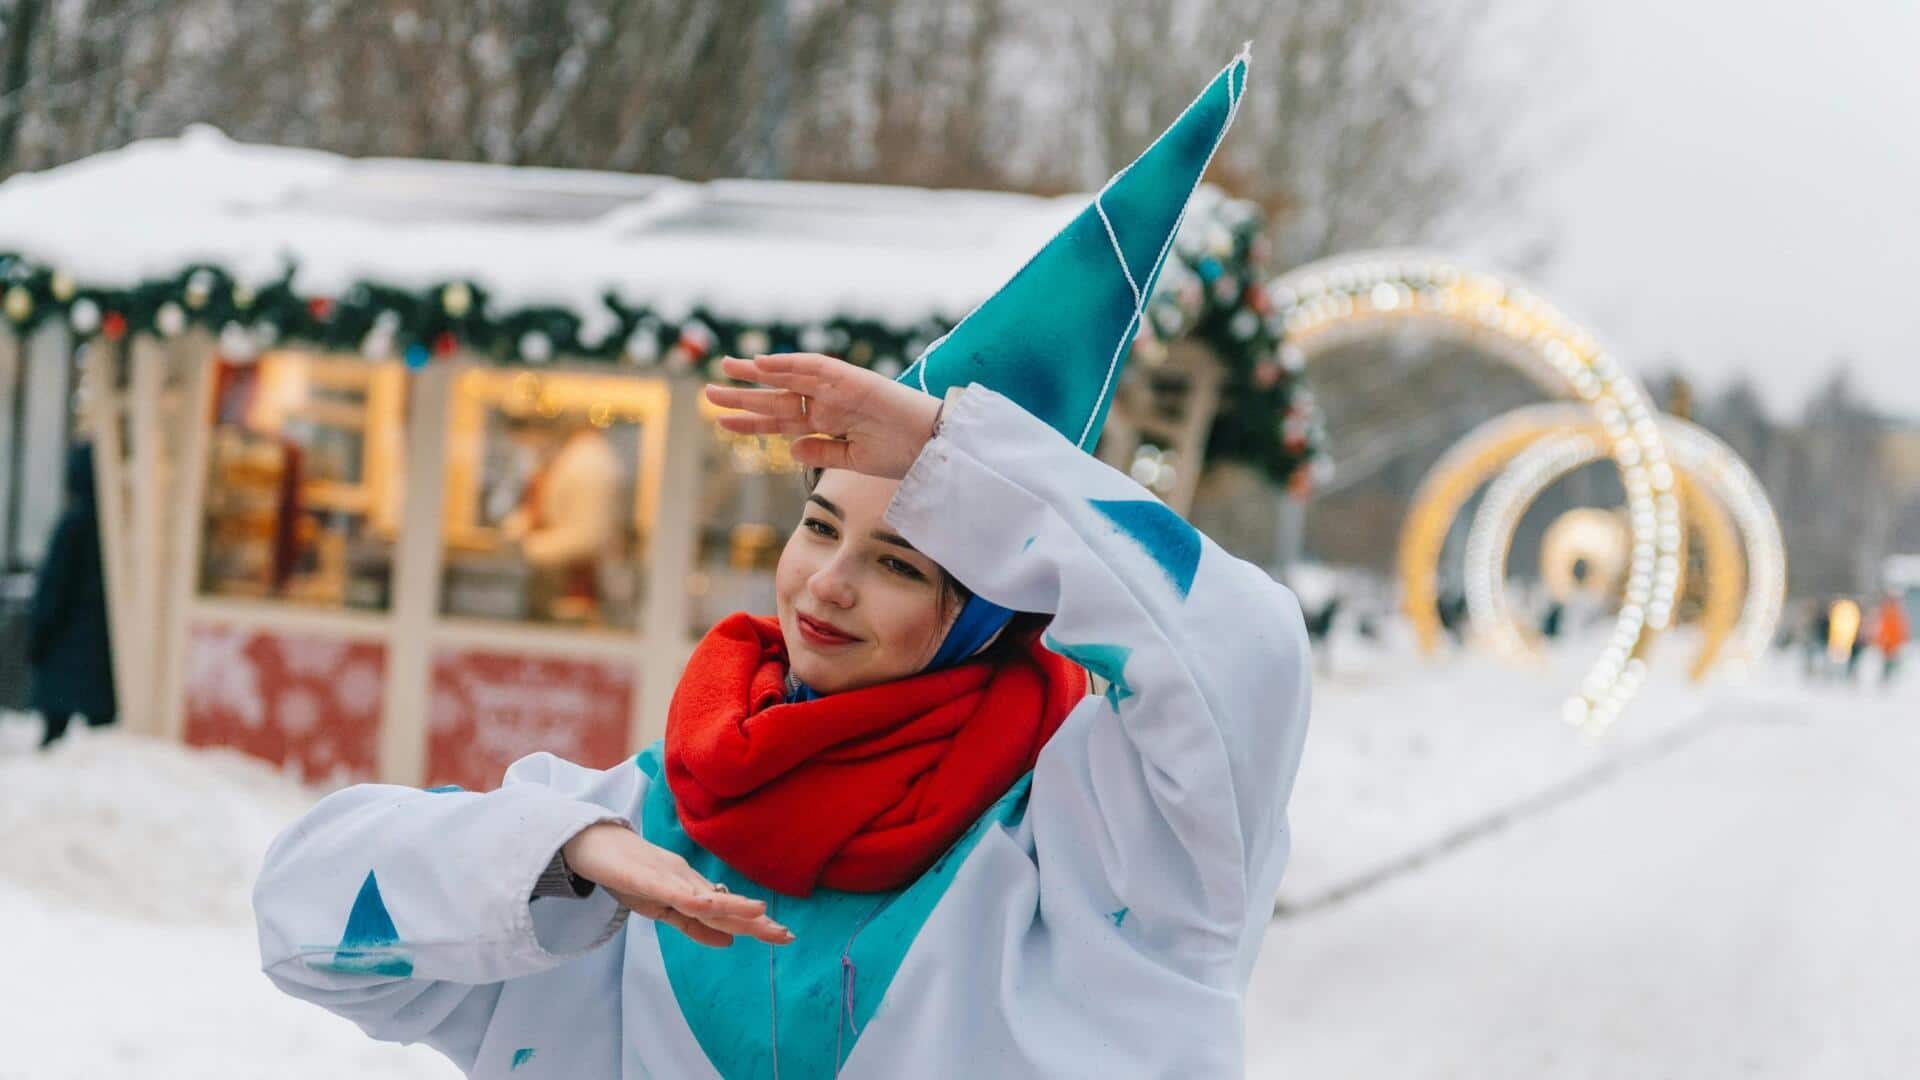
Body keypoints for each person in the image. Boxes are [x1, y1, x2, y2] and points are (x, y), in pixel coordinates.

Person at [254, 52, 1311, 1079]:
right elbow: (303, 914)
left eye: (901, 562)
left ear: (999, 600)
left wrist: (954, 450)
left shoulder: (1100, 846)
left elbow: (1242, 653)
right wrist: (559, 855)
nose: (827, 583)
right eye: (818, 527)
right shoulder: (654, 812)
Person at [27, 445, 117, 748]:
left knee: (54, 733)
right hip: (103, 649)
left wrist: (38, 637)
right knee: (102, 737)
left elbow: (53, 588)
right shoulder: (118, 525)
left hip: (66, 644)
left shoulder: (73, 524)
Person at [500, 414, 620, 623]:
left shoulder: (587, 461)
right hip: (563, 583)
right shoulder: (579, 457)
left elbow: (587, 538)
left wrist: (528, 550)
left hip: (576, 587)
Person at [1872, 593, 1910, 686]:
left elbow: (1902, 629)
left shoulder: (1897, 612)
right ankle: (1885, 680)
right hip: (1887, 643)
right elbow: (1881, 628)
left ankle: (1888, 680)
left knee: (1892, 662)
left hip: (1893, 643)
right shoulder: (1886, 612)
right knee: (1887, 662)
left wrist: (1902, 640)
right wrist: (1881, 640)